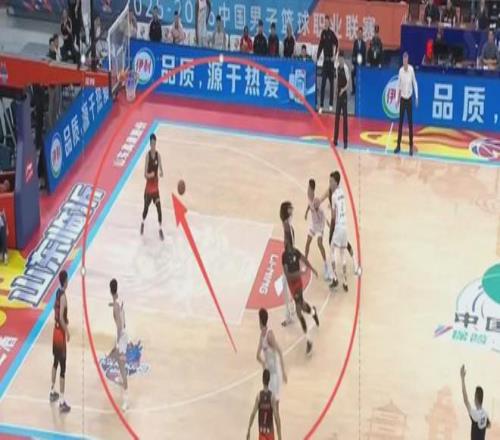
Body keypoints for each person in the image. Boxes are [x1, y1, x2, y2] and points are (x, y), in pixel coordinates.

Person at [282, 241, 319, 354]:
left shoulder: (296, 252)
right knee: (302, 306)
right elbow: (288, 275)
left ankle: (309, 341)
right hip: (292, 286)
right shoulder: (284, 257)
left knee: (299, 312)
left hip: (298, 285)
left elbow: (304, 260)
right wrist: (299, 273)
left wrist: (312, 269)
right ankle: (313, 312)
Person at [256, 309, 287, 412]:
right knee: (270, 405)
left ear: (260, 321)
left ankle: (276, 423)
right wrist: (263, 364)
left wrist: (283, 372)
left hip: (275, 373)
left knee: (275, 405)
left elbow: (279, 351)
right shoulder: (262, 335)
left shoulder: (269, 335)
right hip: (269, 374)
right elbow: (257, 356)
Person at [49, 270, 71, 413]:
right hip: (60, 334)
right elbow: (62, 318)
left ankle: (52, 392)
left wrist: (58, 320)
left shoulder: (57, 293)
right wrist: (67, 331)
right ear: (65, 281)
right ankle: (62, 402)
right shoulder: (63, 297)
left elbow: (54, 308)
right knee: (63, 368)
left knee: (55, 362)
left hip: (55, 331)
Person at [108, 279, 129, 411]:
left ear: (110, 290)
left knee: (121, 366)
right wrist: (112, 305)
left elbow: (119, 326)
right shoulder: (119, 301)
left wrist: (117, 343)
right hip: (124, 334)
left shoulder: (116, 306)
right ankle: (121, 378)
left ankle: (126, 400)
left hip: (121, 337)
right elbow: (120, 310)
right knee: (115, 358)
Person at [304, 179, 329, 280]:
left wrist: (327, 222)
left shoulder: (316, 201)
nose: (308, 190)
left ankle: (326, 265)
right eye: (308, 188)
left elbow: (322, 213)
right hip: (313, 225)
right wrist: (306, 213)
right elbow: (308, 205)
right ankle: (305, 262)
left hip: (320, 225)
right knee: (307, 243)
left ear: (312, 190)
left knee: (319, 244)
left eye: (309, 188)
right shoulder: (309, 198)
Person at [140, 134, 164, 240]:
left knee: (159, 208)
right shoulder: (148, 156)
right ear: (150, 144)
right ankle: (142, 222)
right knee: (146, 209)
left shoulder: (158, 155)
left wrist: (161, 173)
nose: (153, 145)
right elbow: (145, 174)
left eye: (155, 143)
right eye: (152, 143)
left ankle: (160, 228)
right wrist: (150, 175)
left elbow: (161, 169)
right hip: (148, 189)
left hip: (156, 189)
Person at [246, 369, 282, 440]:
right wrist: (279, 436)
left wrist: (249, 429)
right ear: (269, 380)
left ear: (262, 380)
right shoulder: (272, 397)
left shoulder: (259, 396)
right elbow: (276, 417)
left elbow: (253, 414)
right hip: (270, 434)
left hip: (262, 433)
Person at [394, 52, 418, 156]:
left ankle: (411, 146)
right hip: (403, 99)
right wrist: (397, 99)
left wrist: (417, 97)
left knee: (410, 123)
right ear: (402, 60)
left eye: (406, 59)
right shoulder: (400, 71)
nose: (405, 61)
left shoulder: (411, 70)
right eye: (404, 60)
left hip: (409, 99)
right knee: (400, 123)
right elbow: (398, 85)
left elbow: (415, 83)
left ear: (408, 60)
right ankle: (398, 145)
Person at [460, 365, 490, 440]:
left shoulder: (475, 415)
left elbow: (465, 400)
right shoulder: (485, 413)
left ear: (476, 398)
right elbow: (488, 425)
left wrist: (462, 379)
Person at [316, 15, 338, 113]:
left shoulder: (331, 34)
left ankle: (331, 104)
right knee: (323, 83)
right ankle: (321, 105)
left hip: (331, 62)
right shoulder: (323, 33)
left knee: (332, 83)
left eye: (327, 22)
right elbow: (320, 46)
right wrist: (317, 57)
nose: (326, 24)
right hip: (325, 62)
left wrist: (335, 56)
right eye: (324, 22)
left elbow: (337, 43)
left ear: (329, 23)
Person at [279, 201, 295, 327]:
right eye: (290, 208)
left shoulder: (286, 224)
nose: (292, 209)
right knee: (290, 285)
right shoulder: (288, 223)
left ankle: (288, 316)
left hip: (288, 259)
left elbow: (289, 242)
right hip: (291, 257)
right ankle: (292, 310)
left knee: (286, 286)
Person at [334, 51, 350, 149]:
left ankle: (345, 142)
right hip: (338, 95)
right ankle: (335, 140)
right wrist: (336, 91)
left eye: (341, 59)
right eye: (339, 59)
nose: (340, 60)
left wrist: (343, 90)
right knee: (336, 118)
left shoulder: (346, 68)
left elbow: (348, 83)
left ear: (343, 59)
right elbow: (336, 80)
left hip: (344, 95)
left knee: (345, 119)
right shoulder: (337, 68)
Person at [351, 27, 366, 95]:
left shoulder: (364, 43)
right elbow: (353, 53)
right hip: (356, 64)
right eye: (358, 33)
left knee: (362, 77)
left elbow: (364, 55)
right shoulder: (355, 43)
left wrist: (364, 65)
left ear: (362, 34)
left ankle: (361, 90)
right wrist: (353, 64)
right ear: (357, 34)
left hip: (362, 64)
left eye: (361, 33)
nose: (359, 35)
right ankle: (354, 90)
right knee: (352, 74)